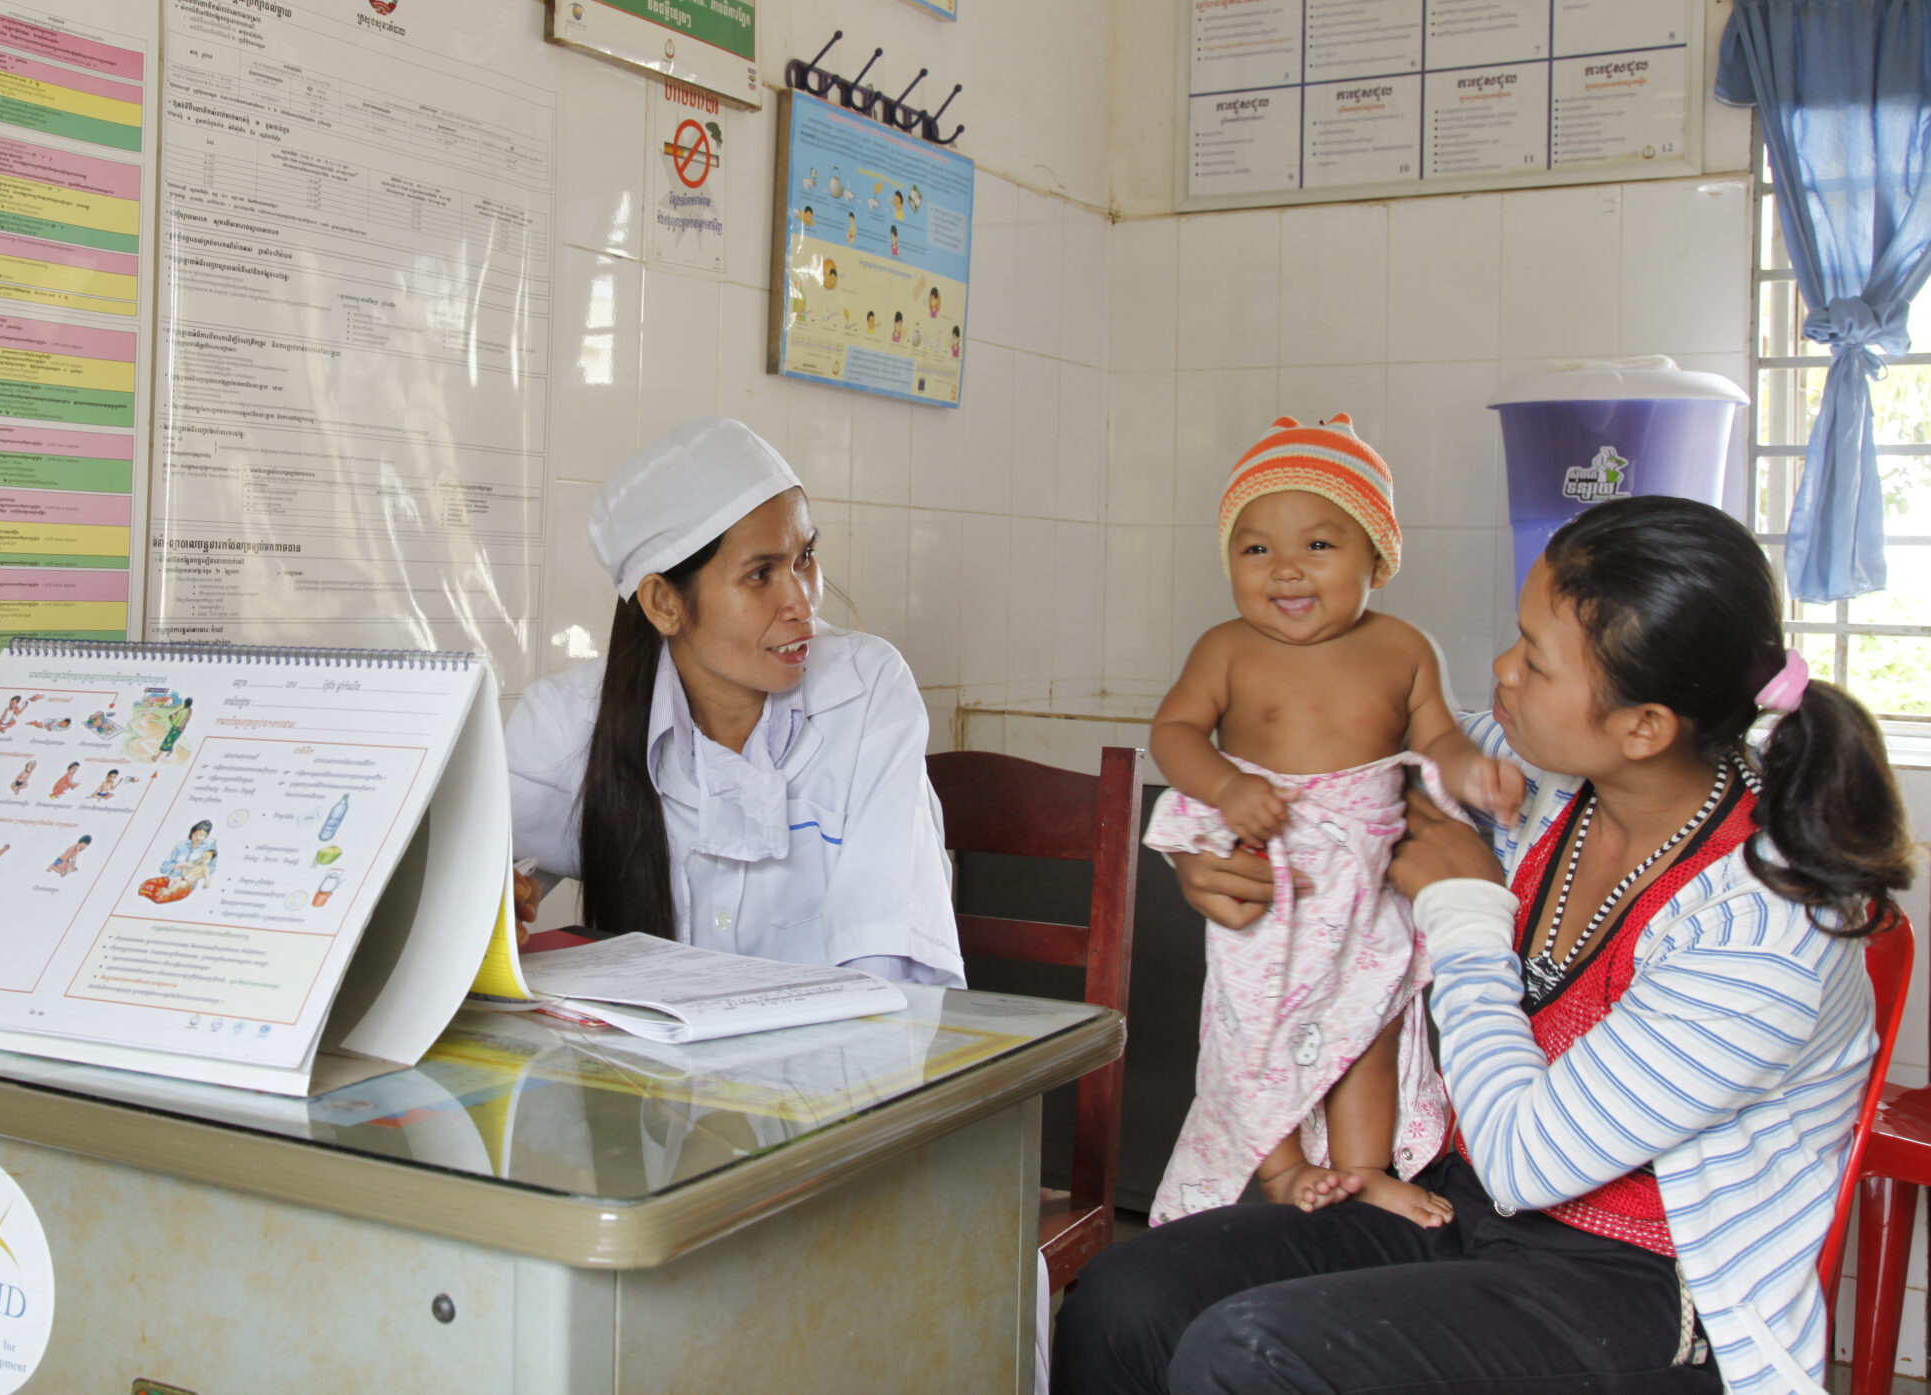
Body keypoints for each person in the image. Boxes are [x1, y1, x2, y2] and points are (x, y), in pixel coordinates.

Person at [1057, 496, 1912, 1395]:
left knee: (1251, 1353)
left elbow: (1527, 1158)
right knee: (1125, 1299)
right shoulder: (1530, 774)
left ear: (1644, 726)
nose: (1501, 671)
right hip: (1460, 1203)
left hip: (1641, 1285)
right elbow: (1351, 805)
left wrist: (1467, 907)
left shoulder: (1760, 932)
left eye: (1534, 661)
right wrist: (1219, 854)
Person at [1143, 415, 1516, 1227]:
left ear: (1376, 556)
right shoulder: (1226, 648)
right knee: (1252, 1032)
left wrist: (1476, 775)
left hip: (1366, 882)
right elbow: (1171, 732)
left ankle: (1360, 1169)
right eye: (1254, 548)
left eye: (1319, 545)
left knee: (1369, 1030)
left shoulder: (1404, 648)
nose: (1284, 569)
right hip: (1273, 873)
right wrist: (1226, 783)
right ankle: (1278, 1169)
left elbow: (1441, 740)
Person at [506, 416, 963, 984]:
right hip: (650, 1070)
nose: (803, 602)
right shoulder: (570, 720)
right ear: (664, 603)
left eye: (804, 558)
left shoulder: (865, 692)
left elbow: (890, 962)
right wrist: (495, 899)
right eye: (761, 574)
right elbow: (452, 875)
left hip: (838, 1063)